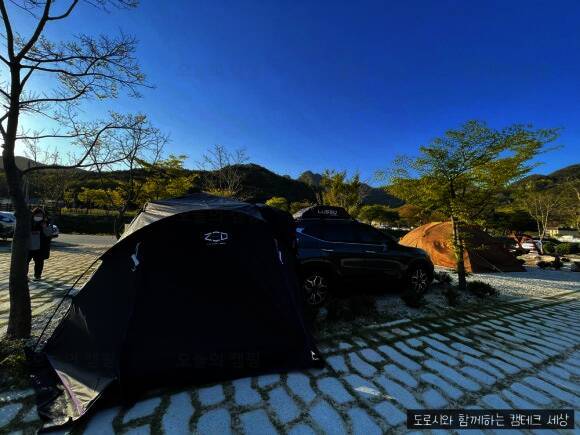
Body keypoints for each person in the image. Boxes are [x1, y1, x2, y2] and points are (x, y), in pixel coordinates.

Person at [29, 208, 53, 280]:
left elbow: (49, 234)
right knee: (25, 262)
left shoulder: (45, 223)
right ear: (33, 215)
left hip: (40, 247)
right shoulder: (29, 222)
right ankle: (24, 276)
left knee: (39, 262)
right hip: (29, 246)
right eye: (37, 215)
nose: (38, 217)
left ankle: (37, 275)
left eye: (40, 215)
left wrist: (45, 227)